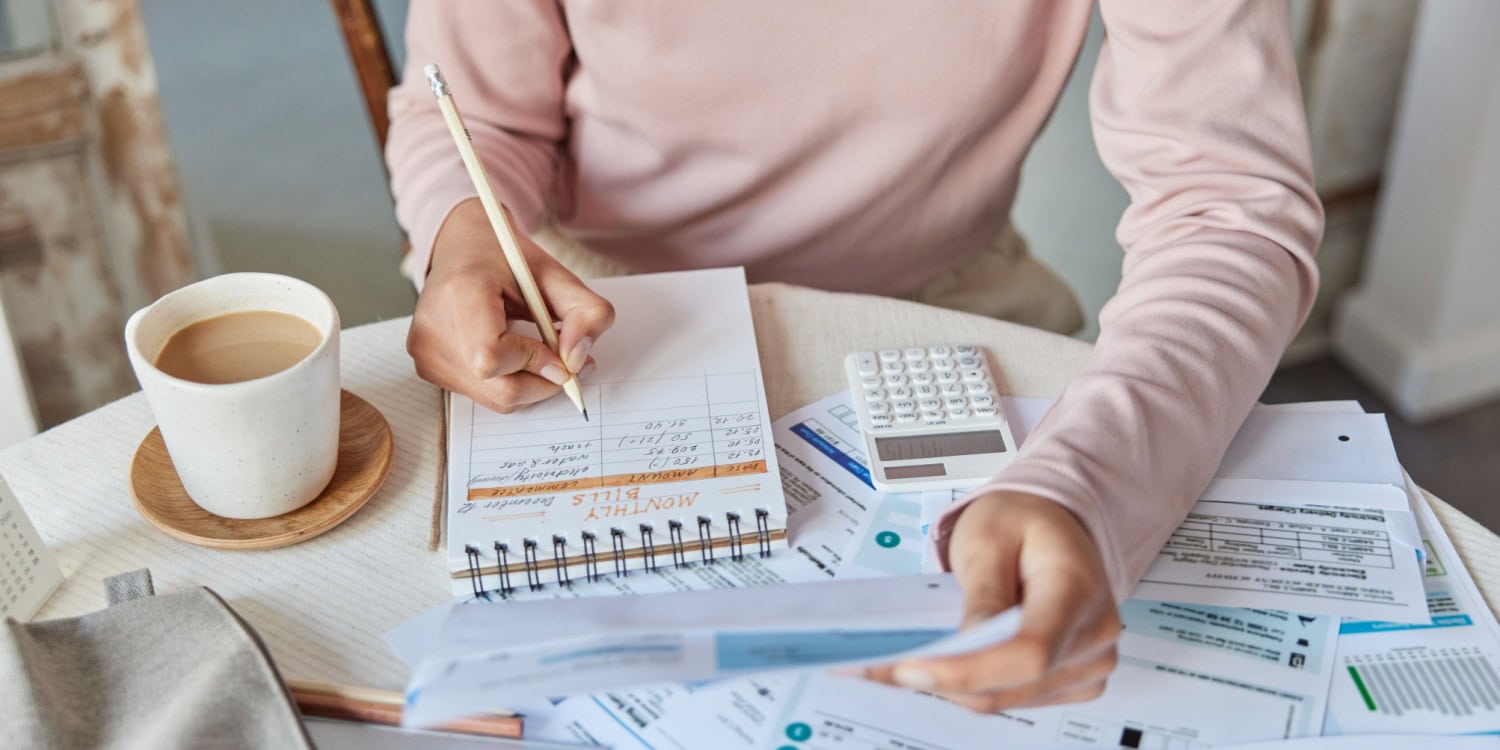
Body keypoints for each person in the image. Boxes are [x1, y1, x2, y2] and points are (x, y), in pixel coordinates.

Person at [386, 1, 1323, 713]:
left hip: (952, 299)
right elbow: (477, 123)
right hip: (591, 311)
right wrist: (464, 232)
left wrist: (1090, 486)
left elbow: (1228, 205)